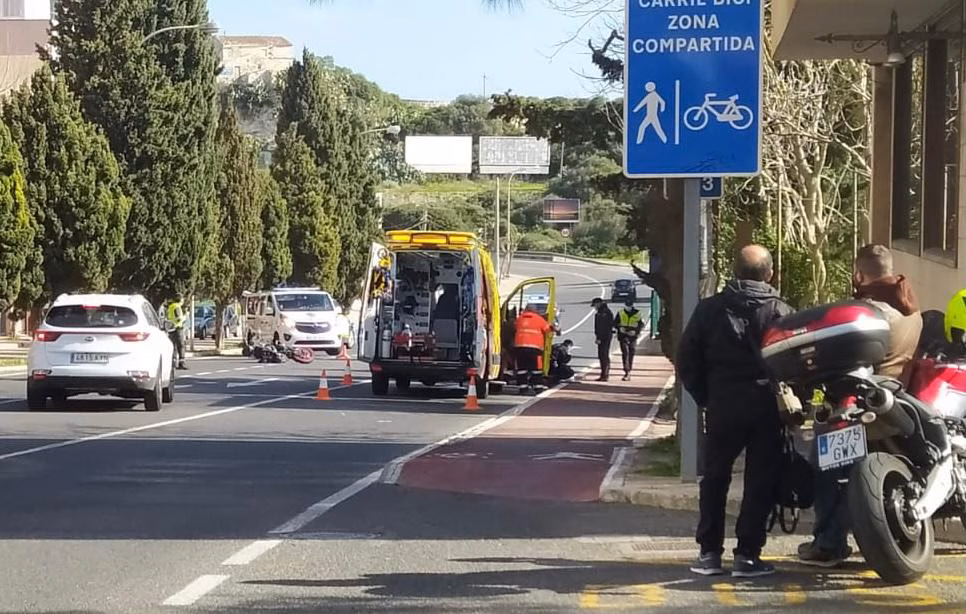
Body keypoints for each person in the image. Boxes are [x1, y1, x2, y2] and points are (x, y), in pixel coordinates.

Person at [797, 244, 922, 568]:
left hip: (859, 409)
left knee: (826, 465)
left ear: (859, 274)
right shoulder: (912, 309)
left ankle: (828, 544)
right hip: (898, 404)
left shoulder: (863, 315)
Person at [677, 244, 794, 578]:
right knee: (760, 479)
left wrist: (706, 396)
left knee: (714, 478)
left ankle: (709, 554)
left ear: (733, 272)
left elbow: (687, 358)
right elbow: (796, 362)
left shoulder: (708, 310)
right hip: (765, 405)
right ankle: (747, 555)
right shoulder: (781, 312)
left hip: (722, 404)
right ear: (770, 273)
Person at [513, 303, 553, 395]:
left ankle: (523, 389)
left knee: (522, 369)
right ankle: (538, 388)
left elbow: (515, 327)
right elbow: (548, 329)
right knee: (536, 370)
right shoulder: (539, 319)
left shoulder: (519, 319)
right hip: (535, 349)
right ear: (535, 310)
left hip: (520, 348)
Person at [615, 299, 644, 381]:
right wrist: (619, 328)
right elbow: (615, 323)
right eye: (627, 305)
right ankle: (626, 371)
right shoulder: (621, 312)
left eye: (630, 305)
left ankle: (629, 369)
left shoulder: (638, 313)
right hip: (623, 336)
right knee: (625, 352)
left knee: (631, 352)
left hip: (632, 336)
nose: (628, 307)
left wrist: (635, 331)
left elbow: (641, 324)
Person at [592, 298, 614, 381]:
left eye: (595, 305)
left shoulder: (605, 313)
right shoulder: (600, 313)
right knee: (601, 355)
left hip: (605, 337)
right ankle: (603, 374)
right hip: (603, 336)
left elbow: (602, 327)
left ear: (599, 304)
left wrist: (599, 338)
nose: (595, 307)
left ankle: (605, 374)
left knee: (604, 355)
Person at [166, 293, 188, 370]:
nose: (183, 300)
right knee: (181, 346)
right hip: (178, 328)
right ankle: (182, 363)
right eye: (182, 299)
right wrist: (184, 317)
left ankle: (173, 363)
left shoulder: (171, 306)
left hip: (171, 329)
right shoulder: (177, 307)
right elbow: (178, 318)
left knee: (173, 347)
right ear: (180, 299)